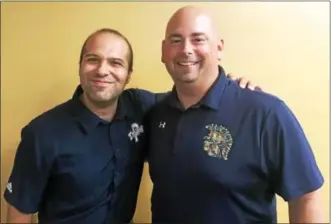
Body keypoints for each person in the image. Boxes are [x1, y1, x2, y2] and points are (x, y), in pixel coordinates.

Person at [4, 27, 258, 223]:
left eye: (116, 63)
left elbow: (193, 96)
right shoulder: (41, 134)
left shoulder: (142, 106)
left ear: (128, 74)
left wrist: (232, 87)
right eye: (93, 59)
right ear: (80, 66)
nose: (103, 70)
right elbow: (19, 212)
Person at [145, 6, 324, 224]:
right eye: (176, 40)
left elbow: (306, 198)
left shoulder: (266, 113)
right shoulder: (154, 114)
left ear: (219, 48)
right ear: (164, 51)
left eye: (198, 39)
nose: (186, 49)